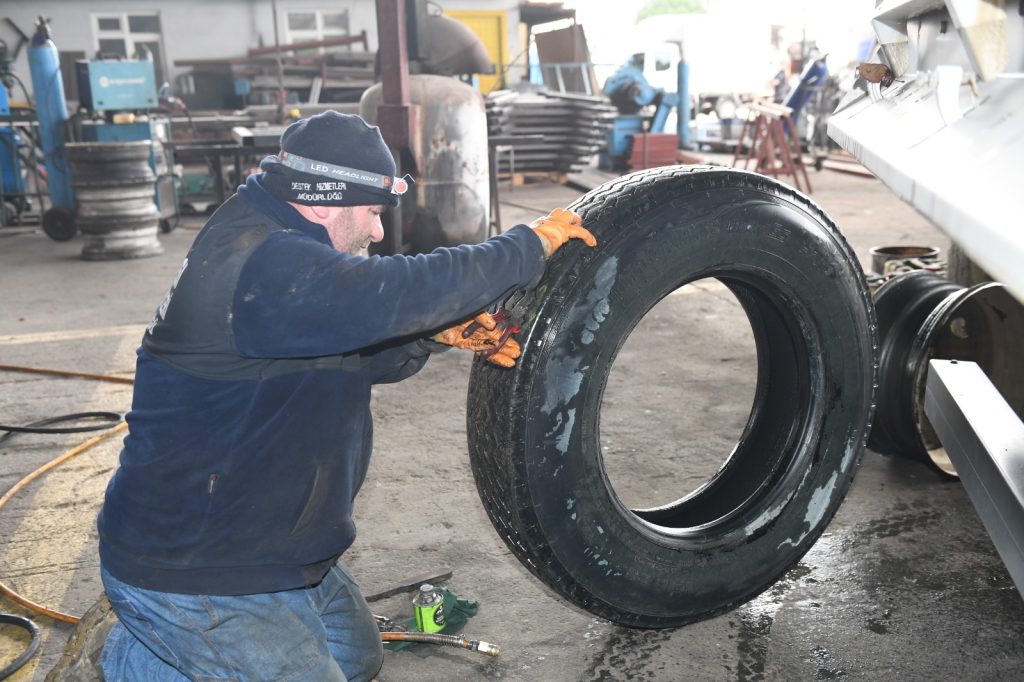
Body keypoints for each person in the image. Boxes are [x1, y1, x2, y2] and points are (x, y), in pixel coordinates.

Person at [96, 110, 596, 681]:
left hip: (262, 538)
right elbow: (400, 289)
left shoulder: (274, 238)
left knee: (357, 659)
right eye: (373, 213)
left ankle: (154, 651)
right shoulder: (264, 262)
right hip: (200, 565)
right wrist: (522, 248)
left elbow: (335, 347)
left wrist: (430, 334)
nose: (378, 232)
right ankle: (147, 648)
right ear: (322, 201)